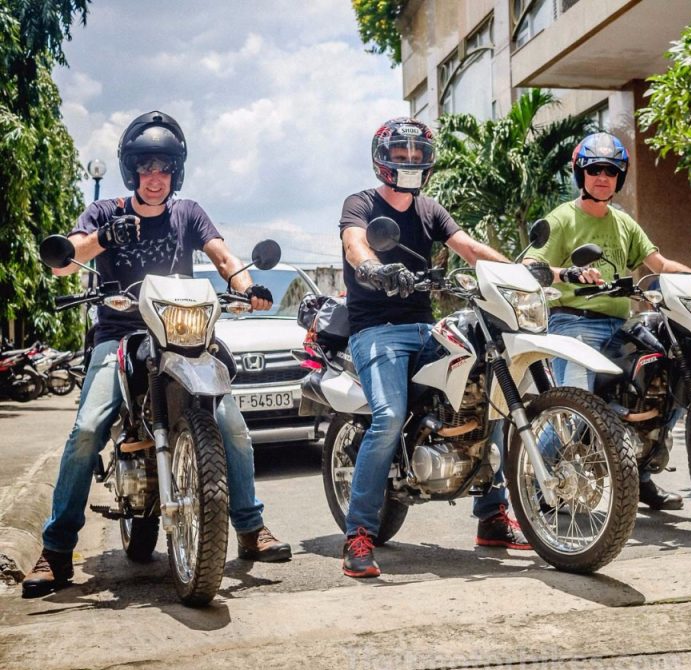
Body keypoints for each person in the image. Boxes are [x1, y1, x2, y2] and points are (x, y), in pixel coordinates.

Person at [22, 111, 291, 599]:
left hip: (182, 333)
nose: (154, 177)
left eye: (163, 168)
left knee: (230, 422)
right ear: (131, 171)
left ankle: (250, 528)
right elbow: (67, 262)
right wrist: (107, 237)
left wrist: (248, 286)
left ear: (176, 173)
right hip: (120, 332)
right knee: (86, 429)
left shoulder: (188, 213)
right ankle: (57, 550)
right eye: (145, 168)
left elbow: (224, 257)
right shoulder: (106, 213)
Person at [339, 117, 534, 579]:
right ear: (381, 159)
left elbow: (469, 247)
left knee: (492, 397)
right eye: (400, 154)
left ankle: (491, 517)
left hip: (425, 328)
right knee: (387, 417)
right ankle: (359, 535)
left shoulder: (430, 209)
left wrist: (527, 271)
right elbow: (354, 244)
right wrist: (373, 269)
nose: (409, 161)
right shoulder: (360, 204)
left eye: (416, 154)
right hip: (376, 330)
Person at [523, 132, 691, 512]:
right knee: (576, 408)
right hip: (572, 324)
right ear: (580, 173)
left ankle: (642, 472)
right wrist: (566, 273)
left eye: (611, 171)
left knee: (671, 378)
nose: (603, 176)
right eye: (595, 169)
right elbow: (530, 267)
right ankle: (539, 480)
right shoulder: (562, 219)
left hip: (620, 327)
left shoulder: (624, 223)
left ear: (620, 177)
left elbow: (660, 265)